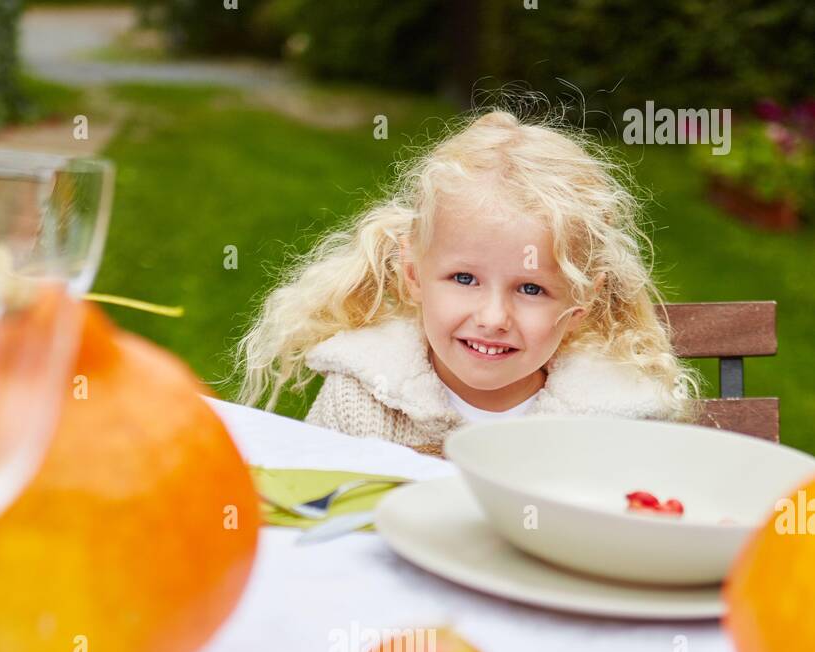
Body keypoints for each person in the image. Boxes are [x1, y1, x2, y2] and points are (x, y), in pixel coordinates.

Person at [234, 108, 699, 457]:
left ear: (580, 306)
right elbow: (320, 521)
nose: (493, 318)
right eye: (464, 278)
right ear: (412, 276)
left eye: (531, 289)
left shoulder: (614, 419)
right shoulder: (363, 400)